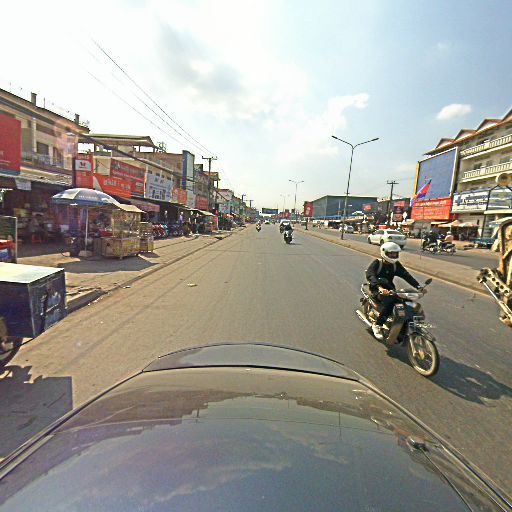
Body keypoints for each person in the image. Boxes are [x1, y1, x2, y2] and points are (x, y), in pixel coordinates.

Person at [365, 242, 423, 340]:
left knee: (406, 303)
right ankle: (377, 325)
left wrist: (418, 286)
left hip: (390, 290)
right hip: (377, 289)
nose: (393, 255)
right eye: (391, 253)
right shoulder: (377, 263)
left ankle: (401, 329)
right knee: (391, 303)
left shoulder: (395, 265)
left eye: (395, 253)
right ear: (384, 253)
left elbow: (406, 275)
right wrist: (379, 287)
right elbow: (370, 275)